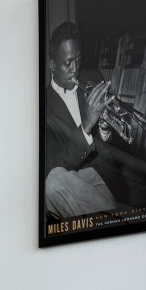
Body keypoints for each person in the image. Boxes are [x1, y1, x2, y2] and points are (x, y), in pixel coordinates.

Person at [44, 21, 117, 219]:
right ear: (52, 65)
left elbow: (112, 147)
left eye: (78, 59)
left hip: (101, 174)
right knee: (52, 184)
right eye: (68, 63)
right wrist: (86, 127)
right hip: (68, 180)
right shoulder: (43, 105)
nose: (75, 69)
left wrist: (104, 129)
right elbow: (53, 164)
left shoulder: (92, 77)